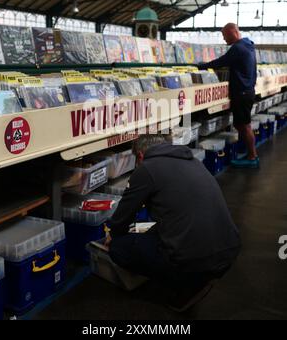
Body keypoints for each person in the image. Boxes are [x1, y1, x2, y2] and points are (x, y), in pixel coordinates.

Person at [106, 134, 241, 312]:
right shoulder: (193, 162)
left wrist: (112, 235)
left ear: (140, 155)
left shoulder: (147, 169)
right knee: (156, 231)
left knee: (118, 248)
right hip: (228, 250)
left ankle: (187, 285)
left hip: (195, 260)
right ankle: (198, 276)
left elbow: (123, 216)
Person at [198, 23, 258, 168]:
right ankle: (250, 154)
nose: (224, 39)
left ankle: (252, 157)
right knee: (241, 124)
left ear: (232, 32)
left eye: (225, 35)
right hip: (247, 91)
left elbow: (221, 62)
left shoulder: (237, 48)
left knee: (244, 126)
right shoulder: (248, 45)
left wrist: (200, 66)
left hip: (242, 93)